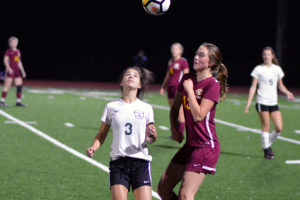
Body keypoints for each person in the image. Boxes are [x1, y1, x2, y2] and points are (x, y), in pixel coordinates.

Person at [157, 43, 228, 200]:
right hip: (190, 144)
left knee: (185, 194)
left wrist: (189, 90)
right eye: (196, 54)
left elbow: (199, 116)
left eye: (201, 55)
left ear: (211, 63)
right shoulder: (188, 78)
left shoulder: (212, 85)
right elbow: (175, 108)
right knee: (163, 189)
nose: (196, 57)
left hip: (205, 146)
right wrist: (174, 129)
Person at [86, 66, 157, 200]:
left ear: (140, 85)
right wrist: (93, 148)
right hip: (119, 163)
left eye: (135, 75)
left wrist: (151, 136)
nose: (131, 76)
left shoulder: (146, 108)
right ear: (121, 82)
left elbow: (151, 138)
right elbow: (102, 134)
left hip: (141, 163)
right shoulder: (111, 107)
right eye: (127, 74)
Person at [244, 46, 294, 159]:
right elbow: (253, 87)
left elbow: (280, 85)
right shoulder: (258, 69)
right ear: (262, 56)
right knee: (266, 126)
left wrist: (287, 92)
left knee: (279, 127)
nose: (266, 56)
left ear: (272, 56)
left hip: (273, 102)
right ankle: (267, 150)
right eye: (264, 54)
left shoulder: (277, 69)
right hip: (262, 101)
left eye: (268, 54)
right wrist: (248, 103)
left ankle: (267, 144)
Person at [160, 43, 190, 137]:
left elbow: (186, 75)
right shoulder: (171, 62)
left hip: (179, 90)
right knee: (173, 112)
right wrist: (163, 87)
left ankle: (180, 134)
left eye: (176, 49)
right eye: (172, 49)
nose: (174, 51)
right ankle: (174, 134)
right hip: (170, 89)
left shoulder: (183, 61)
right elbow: (168, 75)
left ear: (181, 51)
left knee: (180, 112)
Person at [0, 36, 26, 107]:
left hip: (16, 71)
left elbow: (18, 62)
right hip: (10, 71)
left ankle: (18, 102)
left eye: (16, 42)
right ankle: (2, 101)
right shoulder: (8, 51)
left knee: (19, 86)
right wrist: (9, 68)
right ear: (10, 43)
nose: (15, 43)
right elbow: (5, 61)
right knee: (7, 86)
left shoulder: (17, 51)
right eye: (13, 42)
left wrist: (23, 71)